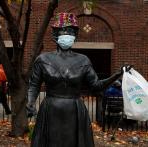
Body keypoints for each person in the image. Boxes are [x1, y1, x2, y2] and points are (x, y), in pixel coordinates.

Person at [26, 12, 131, 147]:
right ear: (55, 34)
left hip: (74, 110)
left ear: (75, 35)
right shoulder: (43, 59)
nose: (67, 35)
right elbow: (34, 85)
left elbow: (96, 86)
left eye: (70, 31)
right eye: (63, 31)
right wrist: (30, 103)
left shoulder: (83, 60)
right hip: (51, 109)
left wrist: (117, 74)